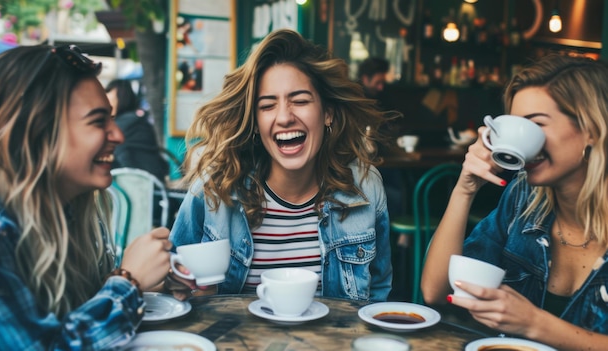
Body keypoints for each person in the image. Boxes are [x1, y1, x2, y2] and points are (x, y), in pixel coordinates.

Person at [167, 29, 394, 302]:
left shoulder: (365, 188)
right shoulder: (215, 188)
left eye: (299, 101)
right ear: (254, 122)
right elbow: (173, 285)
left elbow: (377, 295)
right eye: (267, 105)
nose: (284, 117)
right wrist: (190, 292)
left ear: (328, 113)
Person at [0, 45, 172, 350]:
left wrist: (144, 281)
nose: (119, 135)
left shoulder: (65, 212)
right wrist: (128, 282)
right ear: (36, 133)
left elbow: (69, 318)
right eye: (98, 121)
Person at [421, 54, 608, 350]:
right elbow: (435, 291)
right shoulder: (524, 198)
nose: (525, 144)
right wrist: (465, 188)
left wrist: (536, 324)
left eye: (536, 125)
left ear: (592, 130)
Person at [105, 79, 169, 183]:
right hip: (152, 183)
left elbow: (124, 162)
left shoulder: (122, 125)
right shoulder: (137, 121)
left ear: (121, 100)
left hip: (138, 188)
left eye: (110, 102)